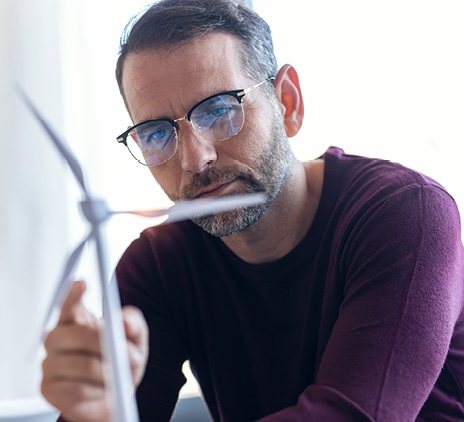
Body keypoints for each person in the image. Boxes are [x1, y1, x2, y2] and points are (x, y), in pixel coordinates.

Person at [40, 0, 464, 421]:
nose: (194, 158)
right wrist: (91, 413)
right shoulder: (159, 264)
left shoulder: (406, 214)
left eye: (220, 109)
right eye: (155, 134)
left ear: (288, 102)